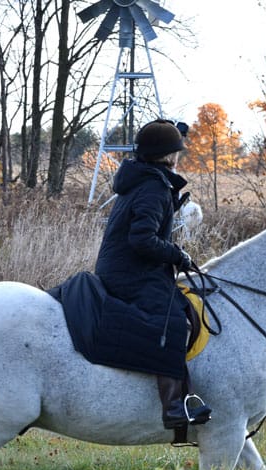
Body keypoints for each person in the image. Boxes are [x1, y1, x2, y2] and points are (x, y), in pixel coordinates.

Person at [94, 119, 212, 430]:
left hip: (127, 267)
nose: (179, 156)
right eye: (177, 150)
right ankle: (174, 407)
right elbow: (142, 239)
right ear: (170, 156)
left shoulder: (145, 178)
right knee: (175, 321)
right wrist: (177, 255)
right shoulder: (153, 187)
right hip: (130, 272)